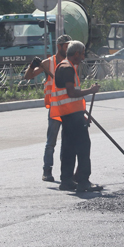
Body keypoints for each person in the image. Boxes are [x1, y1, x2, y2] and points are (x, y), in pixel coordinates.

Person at [49, 40, 101, 193]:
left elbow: (70, 97)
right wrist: (90, 90)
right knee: (83, 147)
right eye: (83, 53)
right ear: (77, 53)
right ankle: (83, 181)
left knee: (68, 149)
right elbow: (71, 93)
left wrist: (81, 115)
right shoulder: (67, 68)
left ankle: (66, 181)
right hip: (71, 116)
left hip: (69, 115)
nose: (83, 56)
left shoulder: (65, 66)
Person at [24, 34, 72, 182]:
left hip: (69, 107)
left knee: (68, 142)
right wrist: (32, 65)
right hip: (55, 108)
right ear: (59, 46)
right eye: (66, 46)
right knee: (51, 142)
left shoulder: (71, 63)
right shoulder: (47, 63)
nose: (68, 49)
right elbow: (28, 76)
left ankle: (67, 173)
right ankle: (47, 171)